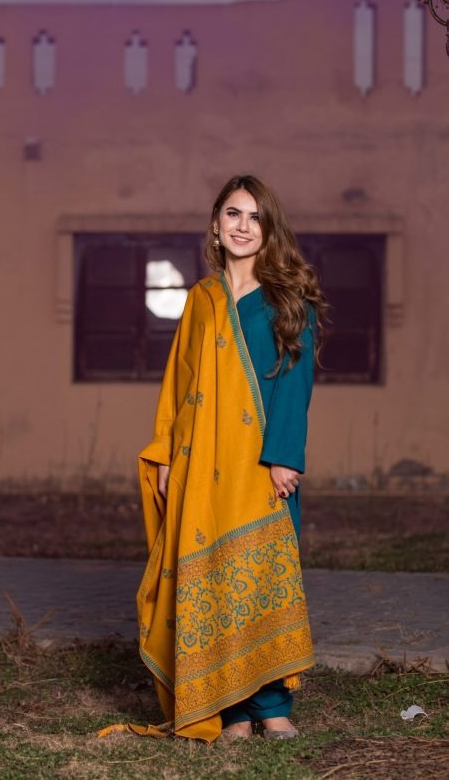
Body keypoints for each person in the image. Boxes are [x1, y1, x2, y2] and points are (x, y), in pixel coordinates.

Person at [106, 174, 327, 745]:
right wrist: (165, 454)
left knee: (261, 578)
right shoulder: (202, 300)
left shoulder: (287, 298)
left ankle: (272, 706)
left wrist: (284, 457)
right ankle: (229, 710)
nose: (243, 226)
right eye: (233, 214)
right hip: (202, 463)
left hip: (261, 462)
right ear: (215, 224)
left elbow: (294, 381)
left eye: (255, 217)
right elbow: (180, 385)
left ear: (269, 230)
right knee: (218, 578)